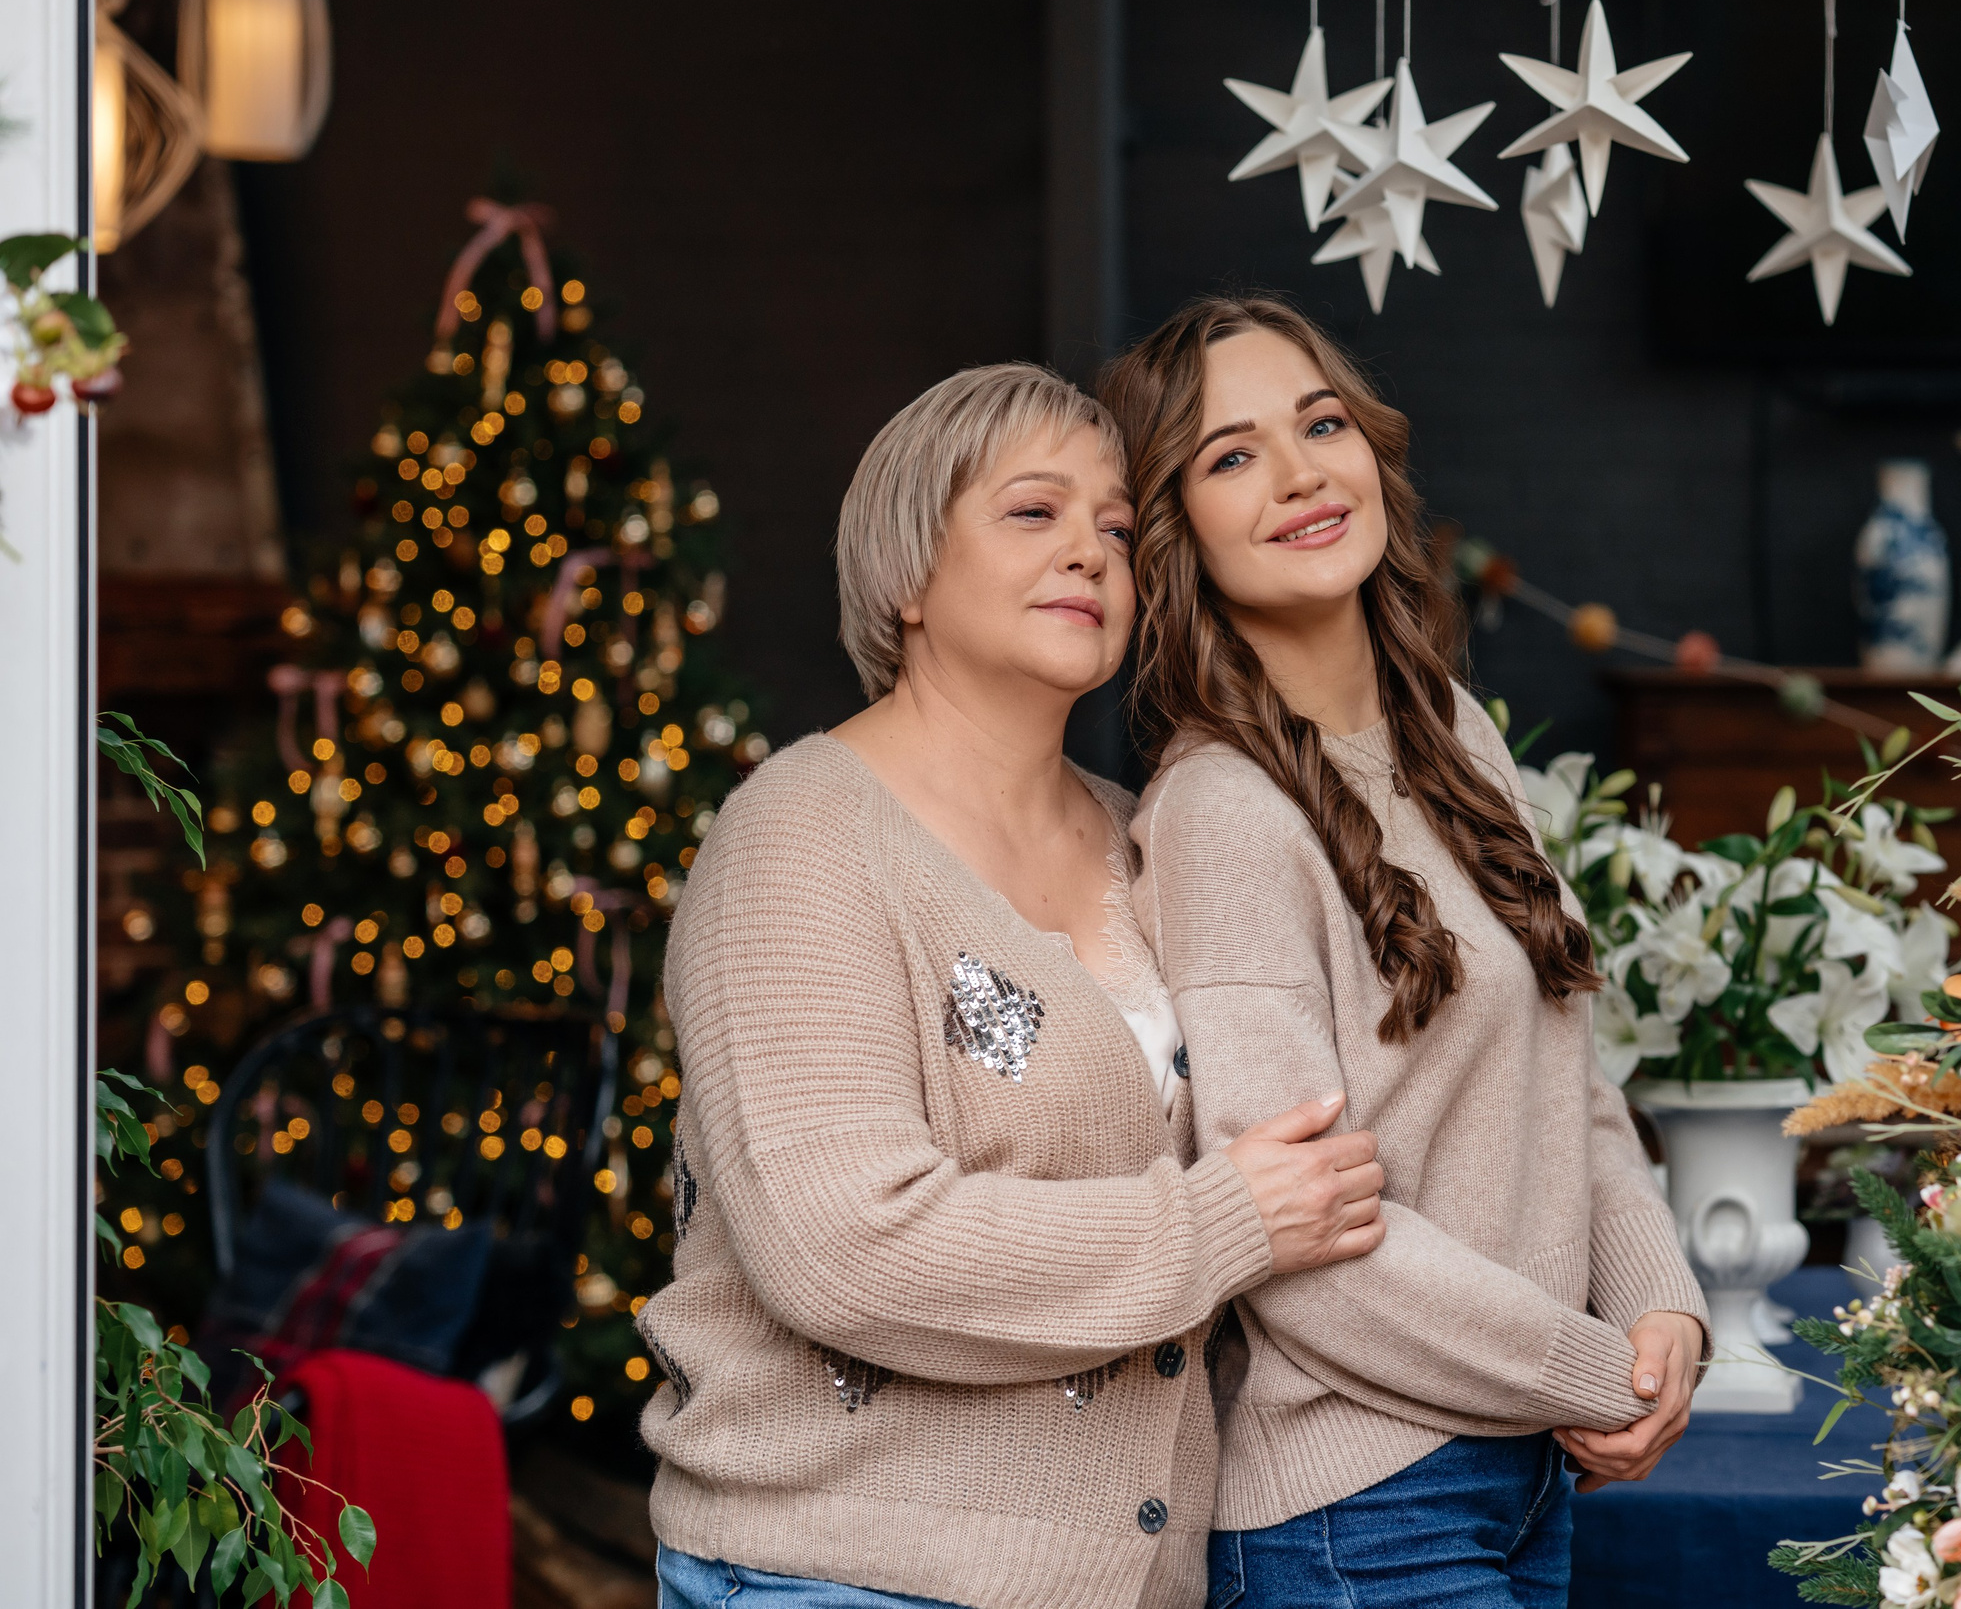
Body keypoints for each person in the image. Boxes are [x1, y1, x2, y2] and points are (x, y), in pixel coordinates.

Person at [641, 362, 1389, 1609]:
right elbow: (841, 1247)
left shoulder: (1143, 831)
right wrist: (1223, 1223)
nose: (1091, 554)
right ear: (907, 573)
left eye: (1114, 529)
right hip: (842, 1575)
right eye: (1034, 513)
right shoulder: (800, 838)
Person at [1099, 297, 1710, 1609]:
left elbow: (1570, 1084)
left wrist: (1660, 1306)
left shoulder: (1453, 736)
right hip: (1360, 1510)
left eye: (1322, 425)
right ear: (1173, 531)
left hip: (1518, 1468)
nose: (1302, 472)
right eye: (1231, 455)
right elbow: (1299, 1240)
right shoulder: (1221, 813)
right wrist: (1590, 1369)